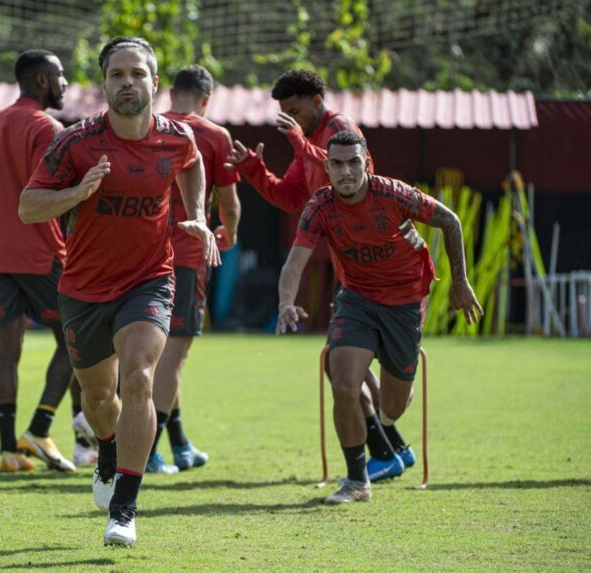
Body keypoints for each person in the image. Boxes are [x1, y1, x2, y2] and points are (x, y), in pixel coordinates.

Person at [21, 37, 220, 547]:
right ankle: (107, 452)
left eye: (136, 74)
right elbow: (28, 205)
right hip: (84, 288)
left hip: (149, 279)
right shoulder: (75, 142)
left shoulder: (176, 137)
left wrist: (197, 213)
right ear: (105, 84)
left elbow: (193, 162)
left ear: (155, 82)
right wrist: (77, 192)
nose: (127, 82)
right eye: (116, 75)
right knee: (96, 398)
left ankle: (125, 509)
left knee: (138, 377)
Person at [226, 69, 415, 481]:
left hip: (373, 270)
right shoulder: (308, 139)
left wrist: (299, 143)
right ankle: (392, 450)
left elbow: (354, 177)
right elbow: (290, 196)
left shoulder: (341, 129)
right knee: (342, 364)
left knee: (342, 363)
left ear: (316, 100)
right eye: (285, 113)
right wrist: (254, 170)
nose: (291, 120)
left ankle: (388, 450)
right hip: (348, 268)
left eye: (295, 111)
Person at [276, 130, 483, 504]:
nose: (346, 171)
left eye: (353, 162)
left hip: (405, 302)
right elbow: (294, 261)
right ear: (327, 168)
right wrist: (286, 302)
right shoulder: (319, 206)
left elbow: (451, 221)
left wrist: (460, 282)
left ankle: (388, 378)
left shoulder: (393, 194)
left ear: (366, 163)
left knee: (392, 408)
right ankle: (357, 481)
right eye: (337, 164)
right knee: (343, 383)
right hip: (356, 299)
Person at [0, 49, 79, 475]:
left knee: (7, 352)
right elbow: (50, 196)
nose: (65, 83)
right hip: (38, 251)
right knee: (79, 340)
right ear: (41, 81)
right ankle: (40, 428)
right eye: (60, 75)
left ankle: (8, 451)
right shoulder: (46, 127)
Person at [146, 64, 241, 474]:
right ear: (206, 99)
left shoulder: (150, 127)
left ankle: (180, 444)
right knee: (175, 354)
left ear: (170, 93)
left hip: (144, 253)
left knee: (157, 352)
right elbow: (229, 205)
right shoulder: (215, 136)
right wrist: (228, 235)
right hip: (185, 256)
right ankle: (146, 451)